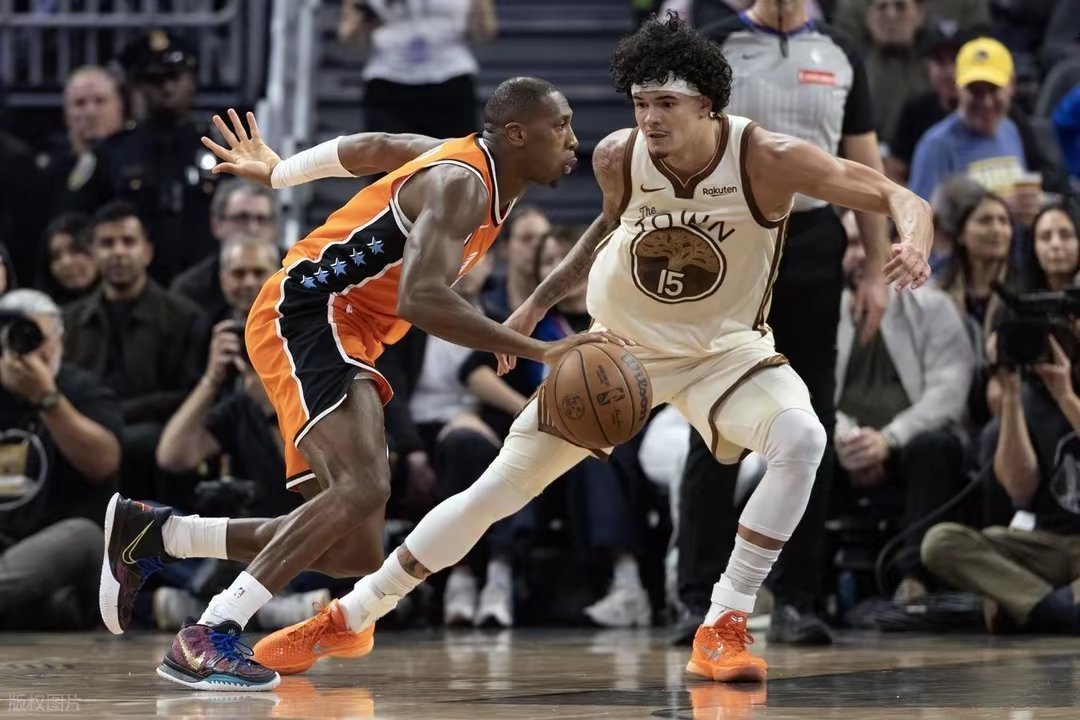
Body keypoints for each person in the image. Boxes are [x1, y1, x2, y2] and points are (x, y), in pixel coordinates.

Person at [276, 14, 931, 683]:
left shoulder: (768, 157)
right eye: (641, 102)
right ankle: (353, 614)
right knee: (495, 491)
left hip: (725, 354)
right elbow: (602, 231)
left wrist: (912, 242)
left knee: (803, 439)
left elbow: (896, 195)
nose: (650, 118)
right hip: (616, 353)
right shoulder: (620, 154)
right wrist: (536, 304)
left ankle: (725, 623)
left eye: (666, 103)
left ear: (708, 103)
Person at [99, 77, 613, 692]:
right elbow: (420, 298)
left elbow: (374, 146)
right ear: (516, 134)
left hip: (347, 331)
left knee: (354, 550)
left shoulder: (460, 160)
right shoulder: (463, 185)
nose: (574, 140)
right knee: (364, 484)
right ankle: (210, 632)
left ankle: (159, 534)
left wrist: (280, 172)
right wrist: (539, 349)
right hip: (311, 313)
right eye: (560, 126)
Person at [681, 0, 892, 646]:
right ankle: (697, 597)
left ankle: (800, 596)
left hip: (814, 241)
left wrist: (876, 269)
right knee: (715, 419)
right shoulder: (713, 45)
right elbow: (681, 152)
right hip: (728, 240)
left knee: (812, 417)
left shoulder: (842, 51)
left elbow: (863, 170)